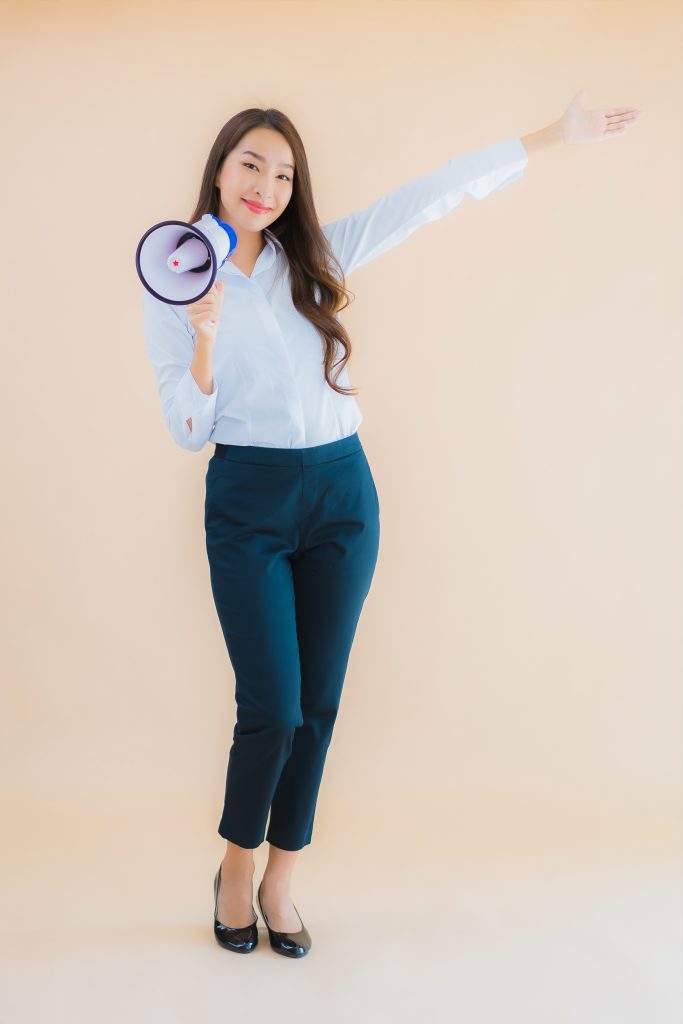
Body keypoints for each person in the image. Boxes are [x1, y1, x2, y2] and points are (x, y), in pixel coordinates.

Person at [141, 97, 643, 957]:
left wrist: (553, 137)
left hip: (342, 493)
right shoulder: (176, 270)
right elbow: (188, 429)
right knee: (271, 705)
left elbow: (429, 195)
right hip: (247, 501)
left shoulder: (315, 256)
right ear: (219, 170)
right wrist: (202, 342)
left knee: (319, 705)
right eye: (250, 165)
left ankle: (283, 878)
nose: (264, 185)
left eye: (282, 173)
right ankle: (233, 865)